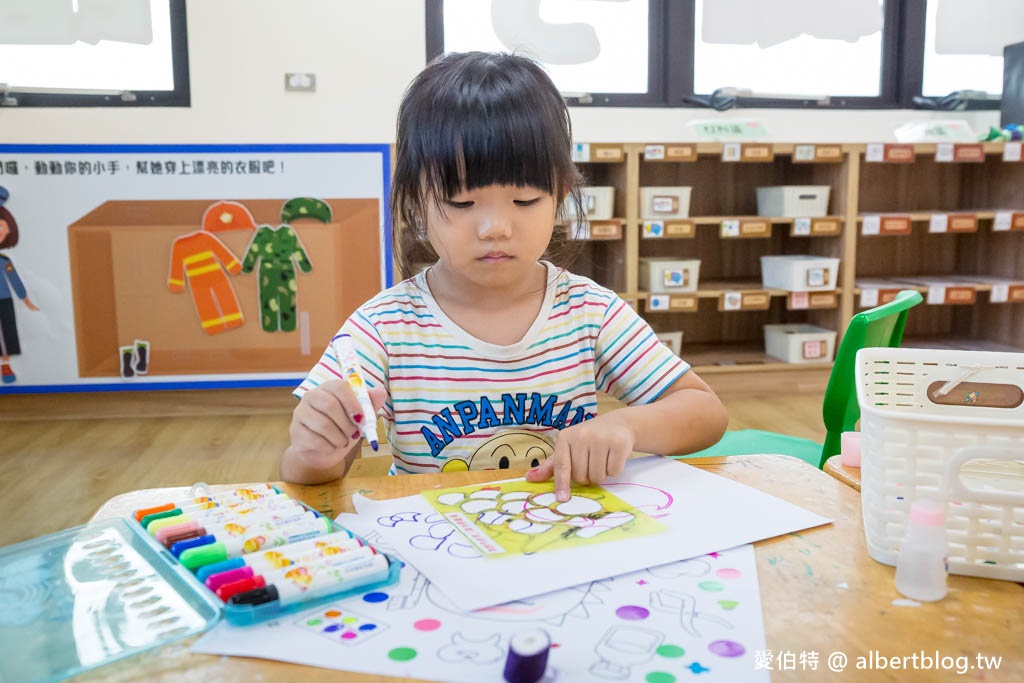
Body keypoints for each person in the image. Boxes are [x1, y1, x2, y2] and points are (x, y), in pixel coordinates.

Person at [281, 52, 727, 500]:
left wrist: (627, 425)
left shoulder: (589, 312)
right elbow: (308, 473)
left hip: (562, 534)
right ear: (416, 201)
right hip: (436, 542)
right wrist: (316, 452)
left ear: (559, 195)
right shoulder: (382, 327)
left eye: (526, 200)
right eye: (461, 204)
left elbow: (705, 412)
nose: (495, 227)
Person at [0, 185, 40, 384]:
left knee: (8, 331)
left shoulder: (4, 260)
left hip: (5, 299)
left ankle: (5, 365)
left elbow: (13, 279)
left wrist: (25, 300)